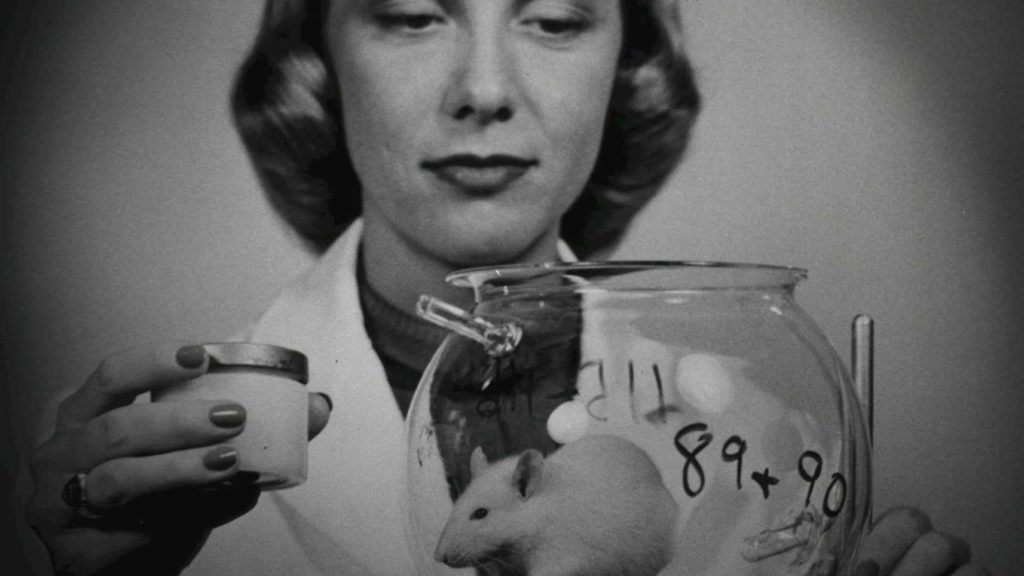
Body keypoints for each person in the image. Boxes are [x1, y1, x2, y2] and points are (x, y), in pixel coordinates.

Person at [23, 0, 990, 575]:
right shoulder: (170, 489)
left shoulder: (770, 445)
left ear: (628, 66)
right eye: (410, 13)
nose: (483, 87)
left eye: (558, 17)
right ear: (320, 60)